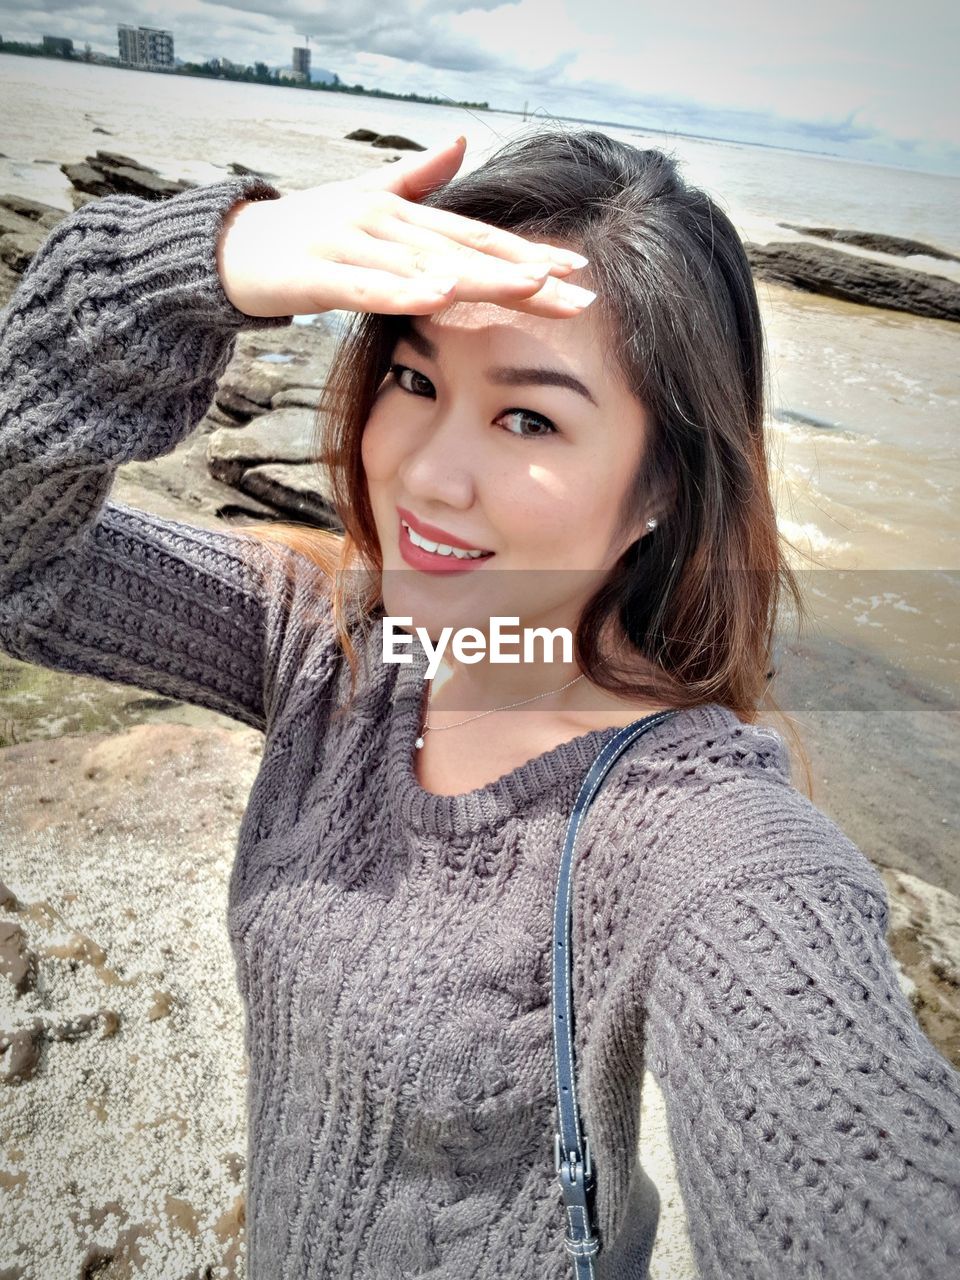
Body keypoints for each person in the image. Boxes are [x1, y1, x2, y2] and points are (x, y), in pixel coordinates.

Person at [1, 128, 957, 1280]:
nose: (425, 473)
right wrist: (206, 260)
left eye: (528, 417)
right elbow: (22, 561)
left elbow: (854, 1170)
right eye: (415, 378)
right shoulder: (332, 645)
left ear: (660, 484)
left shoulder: (689, 824)